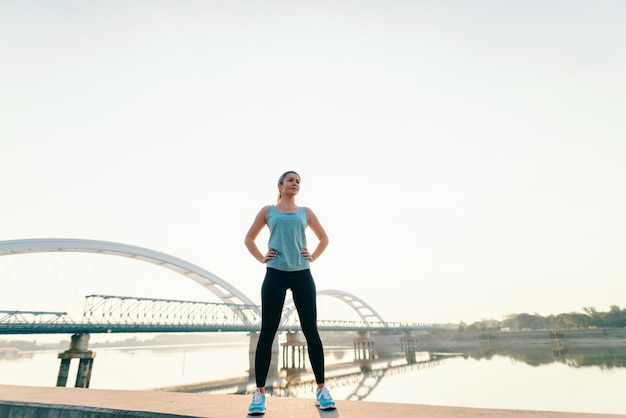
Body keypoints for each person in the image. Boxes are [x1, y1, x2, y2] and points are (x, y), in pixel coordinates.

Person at [244, 170, 336, 415]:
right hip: (275, 273)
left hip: (302, 274)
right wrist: (262, 257)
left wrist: (313, 255)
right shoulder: (268, 211)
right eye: (290, 180)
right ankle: (259, 394)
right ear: (280, 185)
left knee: (311, 331)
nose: (295, 184)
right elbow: (249, 239)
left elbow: (324, 238)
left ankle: (321, 390)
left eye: (298, 181)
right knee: (267, 332)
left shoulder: (306, 212)